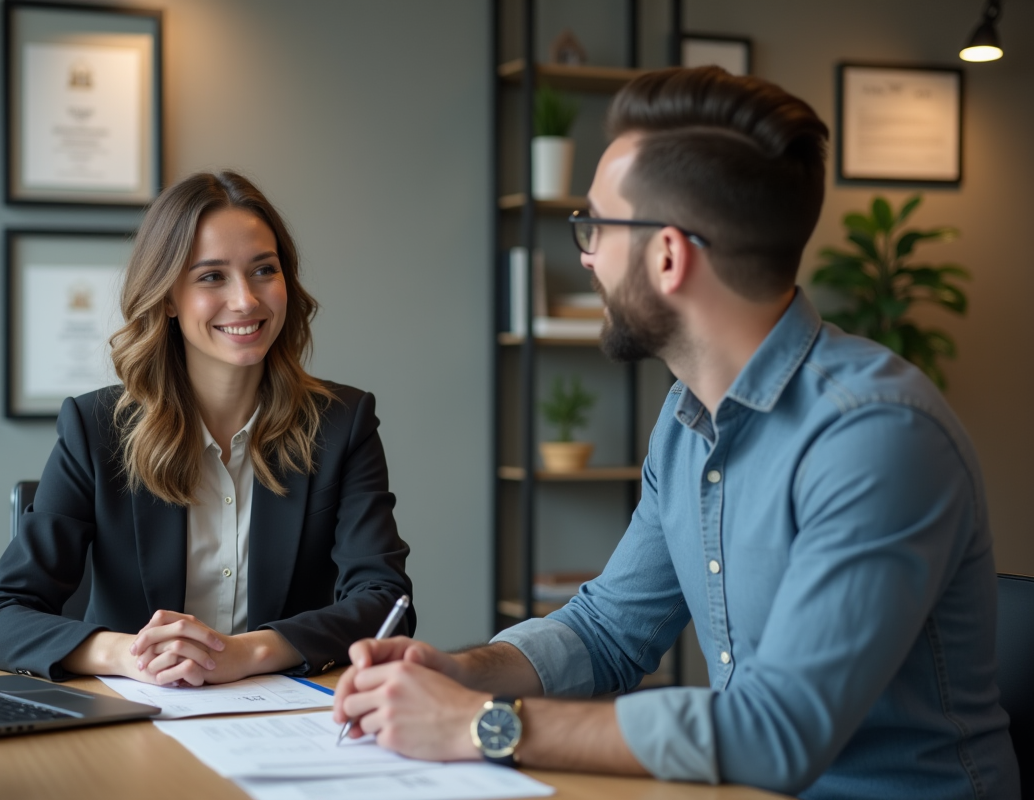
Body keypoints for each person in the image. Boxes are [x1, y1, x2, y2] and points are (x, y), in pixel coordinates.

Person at [333, 67, 1019, 799]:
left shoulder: (875, 437)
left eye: (594, 226)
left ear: (668, 255)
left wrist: (482, 725)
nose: (585, 256)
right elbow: (607, 631)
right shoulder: (686, 418)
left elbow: (775, 733)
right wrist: (459, 672)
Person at [0, 170, 415, 688]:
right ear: (166, 298)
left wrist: (243, 652)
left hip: (287, 721)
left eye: (263, 270)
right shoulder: (95, 430)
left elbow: (387, 604)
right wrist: (129, 653)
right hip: (136, 722)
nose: (246, 300)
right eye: (211, 276)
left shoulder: (342, 423)